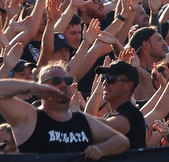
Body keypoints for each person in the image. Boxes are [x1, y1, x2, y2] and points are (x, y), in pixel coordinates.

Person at [0, 64, 129, 157]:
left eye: (67, 81)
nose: (63, 85)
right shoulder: (30, 117)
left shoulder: (82, 119)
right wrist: (34, 88)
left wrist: (100, 149)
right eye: (56, 81)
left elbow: (121, 141)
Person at [95, 61, 146, 150]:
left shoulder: (132, 114)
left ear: (128, 86)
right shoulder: (108, 116)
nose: (104, 83)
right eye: (103, 78)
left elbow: (102, 129)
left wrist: (74, 118)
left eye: (111, 78)